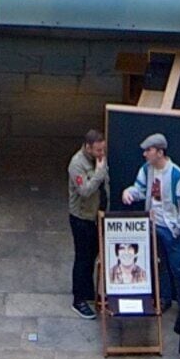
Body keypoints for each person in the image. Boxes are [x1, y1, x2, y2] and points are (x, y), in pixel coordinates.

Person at [123, 131, 180, 342]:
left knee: (177, 266)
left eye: (149, 150)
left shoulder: (177, 176)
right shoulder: (147, 171)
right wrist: (129, 192)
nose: (145, 154)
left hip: (170, 228)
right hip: (152, 224)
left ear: (160, 152)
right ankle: (164, 298)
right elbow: (139, 189)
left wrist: (177, 228)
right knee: (160, 264)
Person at [64, 130, 110, 313]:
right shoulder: (77, 165)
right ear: (88, 147)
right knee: (82, 258)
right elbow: (85, 190)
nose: (102, 154)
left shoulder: (99, 159)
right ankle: (79, 298)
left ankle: (88, 290)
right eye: (98, 150)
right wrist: (99, 173)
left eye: (103, 150)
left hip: (98, 215)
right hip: (82, 218)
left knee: (93, 255)